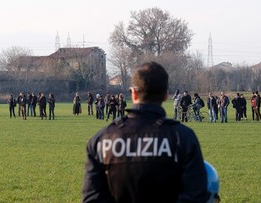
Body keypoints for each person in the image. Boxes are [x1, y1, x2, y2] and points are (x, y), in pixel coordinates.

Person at [82, 62, 208, 202]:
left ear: (133, 93)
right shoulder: (183, 138)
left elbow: (92, 199)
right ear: (166, 95)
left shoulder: (102, 139)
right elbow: (195, 197)